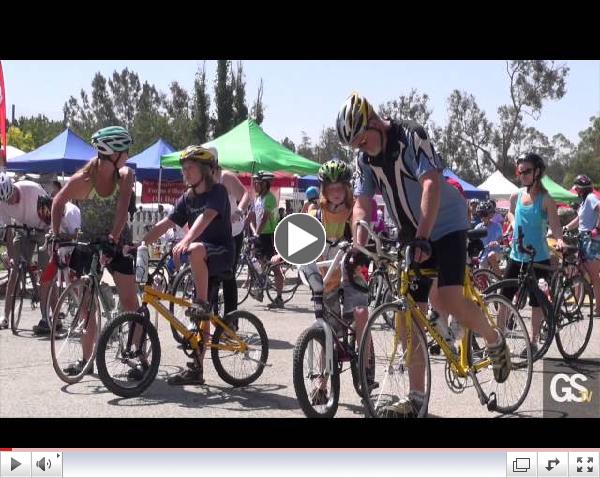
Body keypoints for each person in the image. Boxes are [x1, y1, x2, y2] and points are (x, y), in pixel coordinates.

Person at [337, 92, 511, 416]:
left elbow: (430, 185)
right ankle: (416, 397)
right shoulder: (365, 160)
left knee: (448, 300)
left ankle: (493, 338)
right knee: (408, 318)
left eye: (362, 139)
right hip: (411, 234)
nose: (360, 148)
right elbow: (362, 202)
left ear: (375, 123)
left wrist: (423, 237)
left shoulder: (410, 135)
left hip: (446, 225)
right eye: (355, 145)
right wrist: (360, 240)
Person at [139, 145, 234, 385]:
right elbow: (167, 223)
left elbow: (205, 218)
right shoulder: (187, 198)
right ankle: (196, 369)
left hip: (220, 253)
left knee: (195, 250)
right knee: (200, 320)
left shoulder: (218, 192)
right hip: (200, 258)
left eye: (190, 168)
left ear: (204, 169)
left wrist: (187, 239)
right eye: (183, 169)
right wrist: (139, 243)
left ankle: (201, 303)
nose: (185, 173)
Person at [50, 126, 139, 373]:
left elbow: (122, 210)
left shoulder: (126, 176)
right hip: (89, 242)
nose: (128, 156)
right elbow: (57, 202)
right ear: (113, 154)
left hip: (117, 241)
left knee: (130, 301)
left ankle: (136, 355)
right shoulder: (83, 180)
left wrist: (113, 238)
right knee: (87, 306)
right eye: (125, 151)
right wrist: (55, 235)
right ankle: (87, 361)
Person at [305, 159, 370, 404]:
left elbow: (360, 234)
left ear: (346, 188)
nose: (335, 191)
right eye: (330, 187)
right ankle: (321, 384)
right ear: (323, 189)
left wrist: (357, 244)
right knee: (326, 331)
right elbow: (302, 239)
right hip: (327, 274)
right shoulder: (314, 213)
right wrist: (285, 252)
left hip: (352, 270)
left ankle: (365, 367)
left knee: (362, 313)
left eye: (339, 187)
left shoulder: (354, 211)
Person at [502, 153, 565, 356]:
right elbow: (510, 212)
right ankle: (498, 341)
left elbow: (555, 226)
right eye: (519, 171)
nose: (522, 175)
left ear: (537, 172)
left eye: (526, 171)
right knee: (504, 298)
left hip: (538, 259)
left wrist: (560, 240)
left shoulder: (546, 199)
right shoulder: (516, 196)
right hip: (516, 256)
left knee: (536, 302)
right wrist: (512, 221)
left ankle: (533, 341)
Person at [0, 173, 51, 331]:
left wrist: (50, 234)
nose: (11, 201)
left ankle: (45, 316)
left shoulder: (32, 189)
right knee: (14, 272)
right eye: (7, 200)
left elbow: (50, 211)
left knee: (46, 273)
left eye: (12, 196)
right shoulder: (2, 203)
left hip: (43, 228)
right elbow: (8, 231)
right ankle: (5, 316)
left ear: (14, 187)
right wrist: (10, 256)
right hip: (23, 229)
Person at [209, 159, 250, 315]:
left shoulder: (226, 177)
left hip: (233, 232)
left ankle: (231, 320)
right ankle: (210, 317)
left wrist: (239, 211)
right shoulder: (204, 181)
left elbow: (246, 195)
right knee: (211, 274)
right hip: (215, 232)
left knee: (228, 275)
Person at [564, 174, 600, 316]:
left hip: (591, 241)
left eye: (577, 189)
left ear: (580, 189)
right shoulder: (585, 202)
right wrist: (566, 227)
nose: (576, 191)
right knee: (577, 271)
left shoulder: (591, 198)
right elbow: (580, 219)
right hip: (583, 239)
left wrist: (597, 229)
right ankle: (577, 305)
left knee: (593, 276)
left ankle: (598, 308)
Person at [251, 171, 285, 309]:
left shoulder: (270, 198)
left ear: (264, 184)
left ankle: (279, 297)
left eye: (257, 183)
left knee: (275, 267)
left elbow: (265, 218)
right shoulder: (258, 198)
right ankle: (262, 286)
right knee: (257, 262)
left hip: (270, 235)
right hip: (261, 235)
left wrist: (257, 233)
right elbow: (251, 215)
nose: (254, 185)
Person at [474, 200, 503, 275]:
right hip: (483, 253)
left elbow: (500, 238)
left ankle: (499, 280)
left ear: (490, 215)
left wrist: (496, 242)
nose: (482, 217)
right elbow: (474, 241)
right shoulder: (478, 227)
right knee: (481, 273)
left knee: (491, 256)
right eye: (480, 215)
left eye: (484, 215)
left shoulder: (496, 226)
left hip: (496, 251)